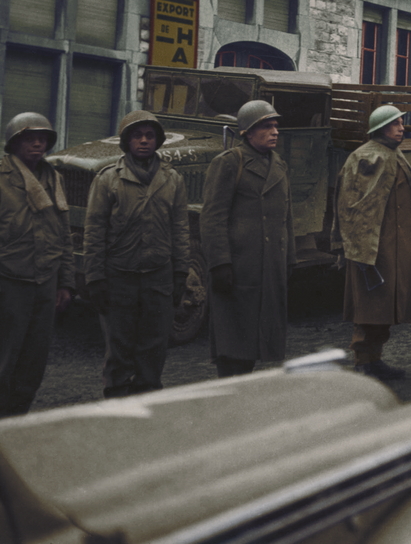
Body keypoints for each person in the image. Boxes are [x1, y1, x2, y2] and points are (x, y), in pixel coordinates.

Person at [84, 110, 189, 397]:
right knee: (119, 345)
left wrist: (181, 272)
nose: (143, 141)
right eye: (137, 136)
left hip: (159, 276)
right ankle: (116, 398)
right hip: (120, 276)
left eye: (149, 136)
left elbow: (180, 228)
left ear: (157, 141)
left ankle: (148, 396)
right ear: (127, 141)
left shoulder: (173, 180)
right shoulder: (108, 180)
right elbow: (94, 231)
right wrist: (95, 278)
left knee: (154, 345)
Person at [331, 105, 411, 380]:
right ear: (380, 128)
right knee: (370, 305)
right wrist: (358, 248)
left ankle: (375, 358)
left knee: (387, 305)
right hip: (374, 246)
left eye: (402, 123)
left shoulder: (395, 154)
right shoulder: (364, 158)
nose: (402, 127)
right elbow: (351, 206)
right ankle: (363, 360)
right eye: (395, 124)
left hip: (398, 245)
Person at [201, 100, 296, 377]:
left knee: (258, 340)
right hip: (238, 269)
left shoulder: (279, 165)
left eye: (276, 126)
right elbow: (212, 217)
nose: (275, 131)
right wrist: (219, 263)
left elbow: (285, 218)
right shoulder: (229, 163)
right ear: (248, 132)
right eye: (266, 126)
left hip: (269, 268)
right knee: (233, 345)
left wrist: (288, 260)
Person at [0, 113, 74, 416]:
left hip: (45, 282)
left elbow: (64, 235)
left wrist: (66, 282)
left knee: (34, 362)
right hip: (9, 281)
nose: (37, 143)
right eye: (30, 137)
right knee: (5, 358)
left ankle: (16, 424)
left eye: (43, 138)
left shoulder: (54, 178)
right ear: (15, 142)